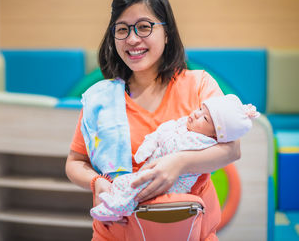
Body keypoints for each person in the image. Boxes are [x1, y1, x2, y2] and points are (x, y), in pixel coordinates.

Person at [65, 0, 241, 241]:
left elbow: (232, 150)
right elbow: (75, 162)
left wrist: (177, 164)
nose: (133, 39)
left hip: (190, 232)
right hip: (115, 234)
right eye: (122, 30)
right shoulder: (100, 99)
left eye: (144, 27)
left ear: (167, 33)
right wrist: (96, 183)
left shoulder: (199, 84)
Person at [90, 94, 259, 221]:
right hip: (149, 170)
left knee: (137, 190)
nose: (196, 114)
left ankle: (117, 209)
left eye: (205, 118)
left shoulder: (203, 142)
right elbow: (162, 132)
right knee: (123, 182)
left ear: (216, 135)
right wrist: (148, 147)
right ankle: (113, 202)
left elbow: (233, 151)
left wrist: (179, 162)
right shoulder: (184, 125)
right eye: (200, 109)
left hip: (172, 187)